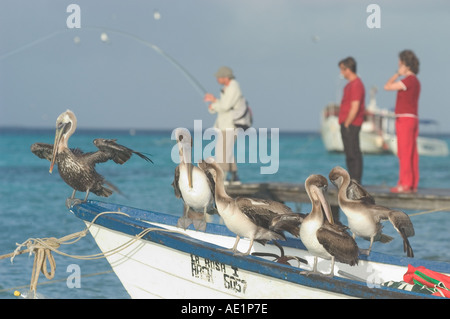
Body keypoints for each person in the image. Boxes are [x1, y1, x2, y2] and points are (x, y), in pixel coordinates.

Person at [384, 50, 420, 193]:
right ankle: (412, 183)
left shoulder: (407, 81)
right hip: (413, 118)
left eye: (400, 64)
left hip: (404, 118)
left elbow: (387, 86)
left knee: (404, 152)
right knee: (412, 152)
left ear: (405, 65)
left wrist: (397, 74)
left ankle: (404, 184)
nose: (398, 66)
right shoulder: (416, 81)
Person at [204, 66, 244, 185]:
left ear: (225, 77)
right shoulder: (227, 88)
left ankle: (225, 178)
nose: (217, 79)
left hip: (230, 125)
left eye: (219, 77)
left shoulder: (233, 87)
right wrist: (214, 103)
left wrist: (214, 102)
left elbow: (225, 106)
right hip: (225, 125)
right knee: (227, 151)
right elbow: (223, 106)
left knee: (223, 151)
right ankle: (234, 177)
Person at [338, 57, 366, 183]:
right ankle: (351, 178)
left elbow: (355, 106)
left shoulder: (356, 85)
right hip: (346, 122)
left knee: (354, 153)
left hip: (352, 123)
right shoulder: (349, 85)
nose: (341, 73)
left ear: (348, 69)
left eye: (342, 70)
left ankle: (356, 180)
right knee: (349, 153)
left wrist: (348, 123)